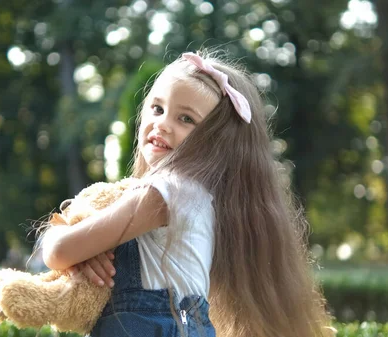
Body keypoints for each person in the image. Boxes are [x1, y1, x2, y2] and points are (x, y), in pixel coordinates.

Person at [41, 49, 333, 337]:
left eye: (186, 119)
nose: (162, 124)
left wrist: (68, 242)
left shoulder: (164, 193)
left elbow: (57, 253)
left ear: (216, 142)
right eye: (157, 108)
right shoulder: (202, 196)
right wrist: (92, 249)